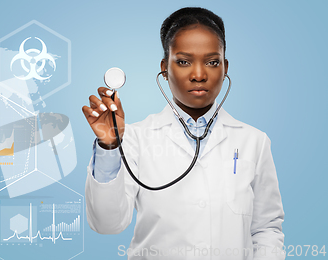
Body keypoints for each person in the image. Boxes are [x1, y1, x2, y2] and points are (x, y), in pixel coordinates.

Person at [81, 7, 285, 260]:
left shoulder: (254, 141)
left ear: (225, 67)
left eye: (212, 62)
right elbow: (107, 225)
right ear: (164, 68)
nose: (199, 75)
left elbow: (266, 229)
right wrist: (110, 145)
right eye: (183, 62)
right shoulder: (135, 139)